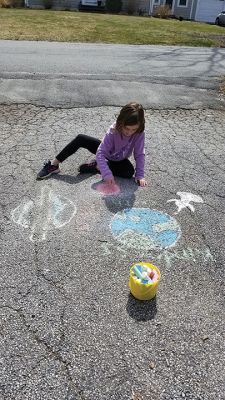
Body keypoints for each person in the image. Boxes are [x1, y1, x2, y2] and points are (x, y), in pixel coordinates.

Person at [37, 102, 147, 187]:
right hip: (106, 153)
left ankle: (97, 166)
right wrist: (107, 174)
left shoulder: (139, 133)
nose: (129, 132)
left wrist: (140, 175)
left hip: (118, 159)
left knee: (129, 173)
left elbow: (139, 154)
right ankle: (54, 165)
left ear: (139, 126)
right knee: (81, 138)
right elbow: (100, 152)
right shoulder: (114, 130)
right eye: (126, 128)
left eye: (133, 129)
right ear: (120, 122)